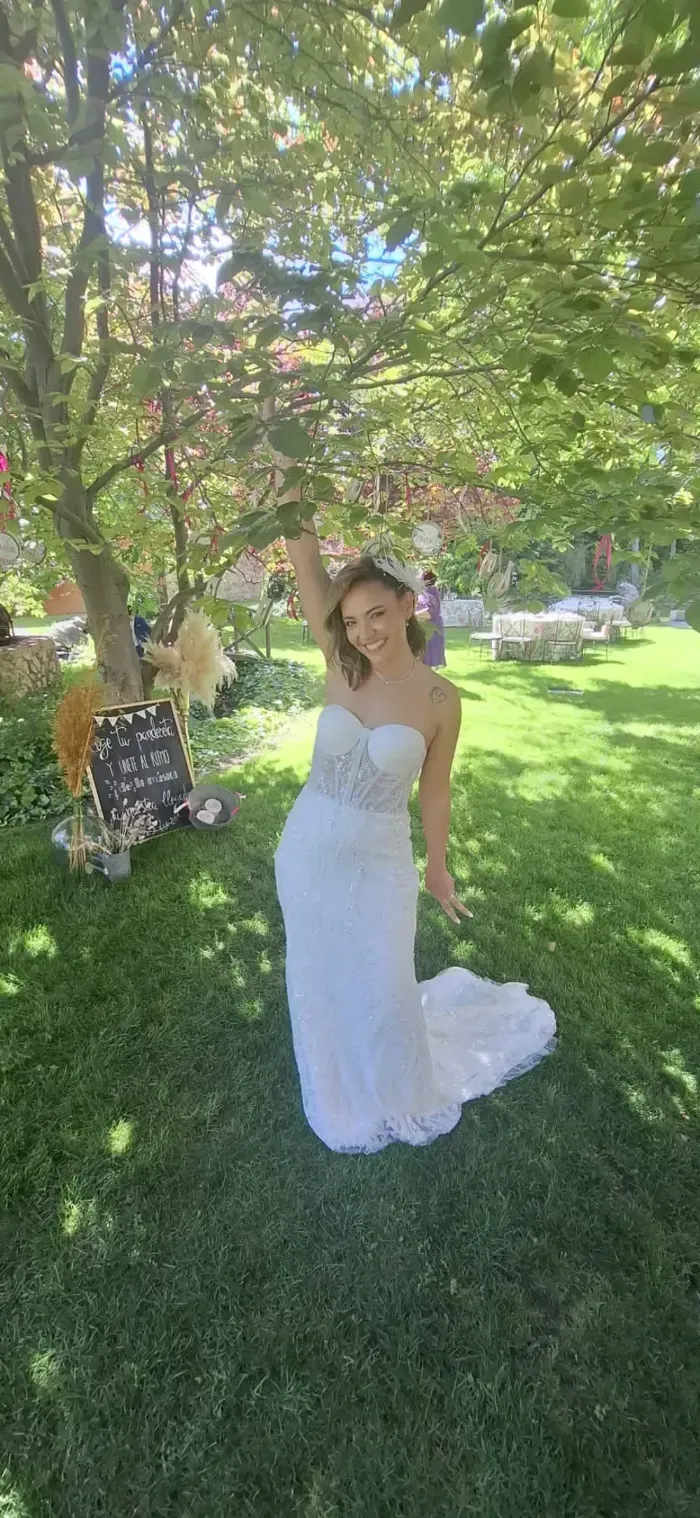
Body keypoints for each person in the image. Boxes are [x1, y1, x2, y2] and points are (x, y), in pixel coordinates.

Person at [275, 519, 556, 1154]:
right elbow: (305, 560)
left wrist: (438, 867)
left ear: (408, 605)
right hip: (307, 854)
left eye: (376, 614)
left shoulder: (439, 698)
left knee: (384, 979)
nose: (364, 633)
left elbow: (434, 790)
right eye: (351, 621)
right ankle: (334, 1076)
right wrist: (289, 479)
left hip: (380, 863)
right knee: (317, 969)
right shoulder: (340, 667)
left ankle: (395, 1087)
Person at [416, 569, 446, 668]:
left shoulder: (429, 592)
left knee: (426, 663)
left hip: (430, 629)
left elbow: (430, 613)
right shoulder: (428, 591)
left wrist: (412, 615)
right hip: (430, 629)